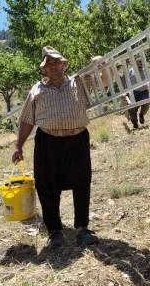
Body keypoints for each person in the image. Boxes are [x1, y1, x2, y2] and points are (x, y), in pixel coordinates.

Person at [12, 46, 98, 249]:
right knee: (46, 185)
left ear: (64, 65)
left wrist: (99, 62)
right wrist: (18, 146)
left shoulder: (79, 82)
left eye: (56, 62)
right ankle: (55, 232)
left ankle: (82, 229)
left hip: (77, 140)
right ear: (43, 70)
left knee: (81, 182)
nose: (52, 66)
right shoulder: (36, 91)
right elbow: (26, 120)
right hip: (47, 142)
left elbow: (104, 77)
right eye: (47, 64)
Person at [121, 58, 150, 128]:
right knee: (132, 108)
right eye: (138, 63)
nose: (140, 65)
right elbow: (126, 81)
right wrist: (125, 92)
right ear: (135, 64)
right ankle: (135, 123)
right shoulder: (131, 71)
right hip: (134, 92)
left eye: (141, 63)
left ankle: (141, 115)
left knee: (146, 103)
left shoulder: (145, 71)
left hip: (144, 91)